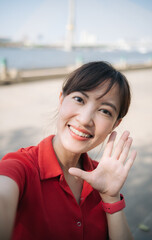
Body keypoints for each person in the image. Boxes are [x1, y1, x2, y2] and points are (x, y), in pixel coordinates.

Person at [0, 61, 137, 240]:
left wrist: (111, 198)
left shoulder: (102, 177)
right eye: (79, 99)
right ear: (61, 99)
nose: (85, 119)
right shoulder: (21, 167)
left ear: (115, 125)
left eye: (104, 111)